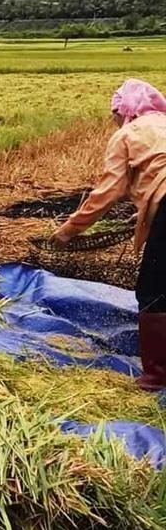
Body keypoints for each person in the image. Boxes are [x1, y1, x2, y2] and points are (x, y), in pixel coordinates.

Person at [52, 79, 166, 391]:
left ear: (127, 110)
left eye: (116, 112)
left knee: (153, 291)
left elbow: (107, 193)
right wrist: (145, 213)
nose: (114, 119)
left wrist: (68, 230)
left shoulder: (127, 133)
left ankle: (156, 376)